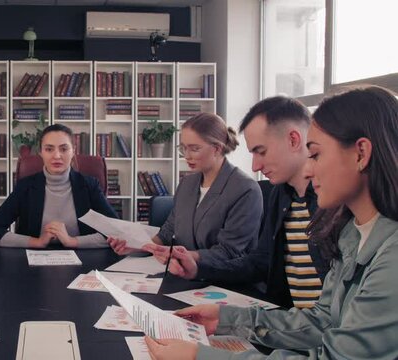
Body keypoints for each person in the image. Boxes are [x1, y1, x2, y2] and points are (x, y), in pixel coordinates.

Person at [145, 86, 398, 359]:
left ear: (361, 153)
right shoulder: (352, 233)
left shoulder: (388, 256)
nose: (309, 169)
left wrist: (202, 357)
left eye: (315, 154)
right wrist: (226, 319)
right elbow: (323, 320)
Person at [163, 97, 327, 309]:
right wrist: (198, 269)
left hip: (315, 334)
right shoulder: (281, 194)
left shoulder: (333, 200)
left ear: (294, 140)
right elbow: (260, 262)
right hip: (288, 323)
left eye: (261, 151)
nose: (256, 165)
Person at [109, 113, 262, 271]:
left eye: (194, 149)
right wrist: (136, 247)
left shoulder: (245, 190)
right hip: (184, 274)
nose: (187, 156)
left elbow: (229, 251)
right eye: (183, 148)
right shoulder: (187, 184)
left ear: (217, 149)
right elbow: (167, 233)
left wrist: (182, 256)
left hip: (222, 278)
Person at [0, 123, 118, 248]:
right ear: (41, 152)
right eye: (49, 149)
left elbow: (117, 232)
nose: (57, 156)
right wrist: (37, 242)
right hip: (31, 266)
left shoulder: (89, 186)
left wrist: (71, 241)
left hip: (84, 264)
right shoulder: (26, 187)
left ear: (73, 151)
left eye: (64, 149)